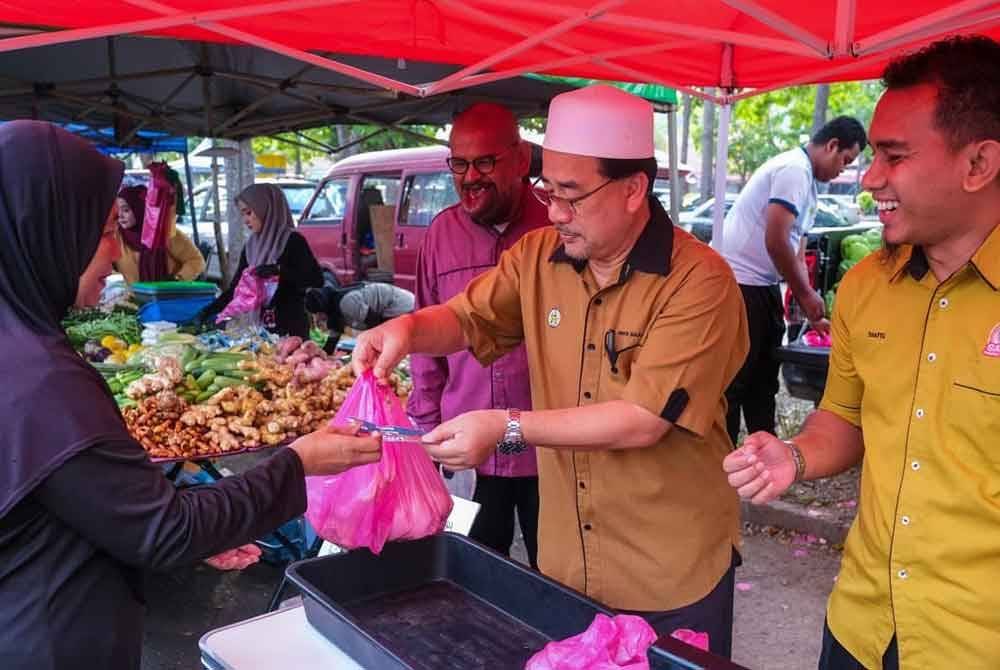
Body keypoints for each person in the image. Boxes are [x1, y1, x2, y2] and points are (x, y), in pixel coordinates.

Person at [354, 85, 749, 657]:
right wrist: (407, 331)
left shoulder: (699, 282)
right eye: (548, 189)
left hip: (668, 568)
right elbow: (466, 317)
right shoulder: (538, 256)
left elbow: (642, 419)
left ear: (634, 189)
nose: (555, 211)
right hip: (570, 566)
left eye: (572, 195)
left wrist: (507, 426)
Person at [0, 120, 382, 670]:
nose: (114, 255)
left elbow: (89, 501)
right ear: (46, 231)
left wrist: (193, 517)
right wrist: (297, 465)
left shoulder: (20, 347)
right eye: (105, 231)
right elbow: (165, 532)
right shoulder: (41, 378)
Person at [723, 36, 1000, 670]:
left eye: (894, 157)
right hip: (861, 625)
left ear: (978, 163)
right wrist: (793, 455)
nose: (869, 177)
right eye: (871, 154)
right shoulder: (867, 286)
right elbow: (843, 418)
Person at [406, 103, 548, 567]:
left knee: (563, 576)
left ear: (522, 159)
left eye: (485, 162)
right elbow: (426, 348)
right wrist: (425, 429)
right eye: (459, 164)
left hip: (550, 447)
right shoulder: (441, 235)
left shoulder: (559, 229)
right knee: (474, 574)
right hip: (468, 451)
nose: (471, 178)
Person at [719, 116, 865, 444]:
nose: (843, 170)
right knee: (737, 380)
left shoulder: (809, 183)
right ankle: (721, 460)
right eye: (845, 160)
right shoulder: (793, 170)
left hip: (763, 286)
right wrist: (806, 294)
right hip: (741, 285)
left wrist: (809, 304)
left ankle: (763, 449)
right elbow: (776, 238)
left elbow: (796, 250)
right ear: (831, 146)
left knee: (764, 378)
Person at [200, 183, 323, 338]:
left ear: (266, 209)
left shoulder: (293, 241)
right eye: (243, 214)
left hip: (292, 332)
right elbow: (236, 289)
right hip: (261, 332)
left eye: (249, 213)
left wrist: (278, 271)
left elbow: (316, 279)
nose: (245, 220)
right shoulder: (251, 247)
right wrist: (208, 311)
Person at [305, 269, 415, 353]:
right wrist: (324, 354)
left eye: (318, 313)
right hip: (392, 311)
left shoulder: (346, 303)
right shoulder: (333, 305)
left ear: (323, 308)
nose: (318, 317)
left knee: (398, 345)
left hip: (404, 307)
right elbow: (335, 331)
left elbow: (375, 324)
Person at [114, 183, 205, 283]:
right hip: (132, 297)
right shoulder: (116, 237)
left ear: (140, 209)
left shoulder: (165, 233)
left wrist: (177, 280)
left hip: (169, 295)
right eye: (117, 210)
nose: (120, 215)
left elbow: (196, 261)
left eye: (126, 210)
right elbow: (106, 268)